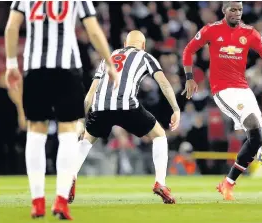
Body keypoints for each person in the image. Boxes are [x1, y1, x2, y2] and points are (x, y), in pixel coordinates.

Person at [182, 1, 262, 201]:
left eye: (240, 10)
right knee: (253, 128)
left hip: (244, 90)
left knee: (257, 139)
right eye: (233, 9)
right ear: (224, 10)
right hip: (223, 92)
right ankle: (241, 181)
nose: (237, 13)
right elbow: (188, 51)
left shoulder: (250, 33)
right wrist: (190, 77)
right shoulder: (211, 30)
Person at [4, 1, 118, 220]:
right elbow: (93, 29)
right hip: (67, 69)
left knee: (36, 131)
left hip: (35, 69)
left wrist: (11, 64)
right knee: (67, 132)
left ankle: (37, 202)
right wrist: (110, 65)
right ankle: (61, 201)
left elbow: (11, 27)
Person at [71, 30, 180, 204]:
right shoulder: (145, 56)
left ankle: (70, 175)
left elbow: (91, 93)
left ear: (125, 44)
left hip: (100, 106)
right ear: (143, 45)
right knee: (159, 135)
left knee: (86, 140)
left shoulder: (110, 56)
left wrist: (80, 120)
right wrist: (176, 109)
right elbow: (164, 83)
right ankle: (160, 182)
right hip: (126, 105)